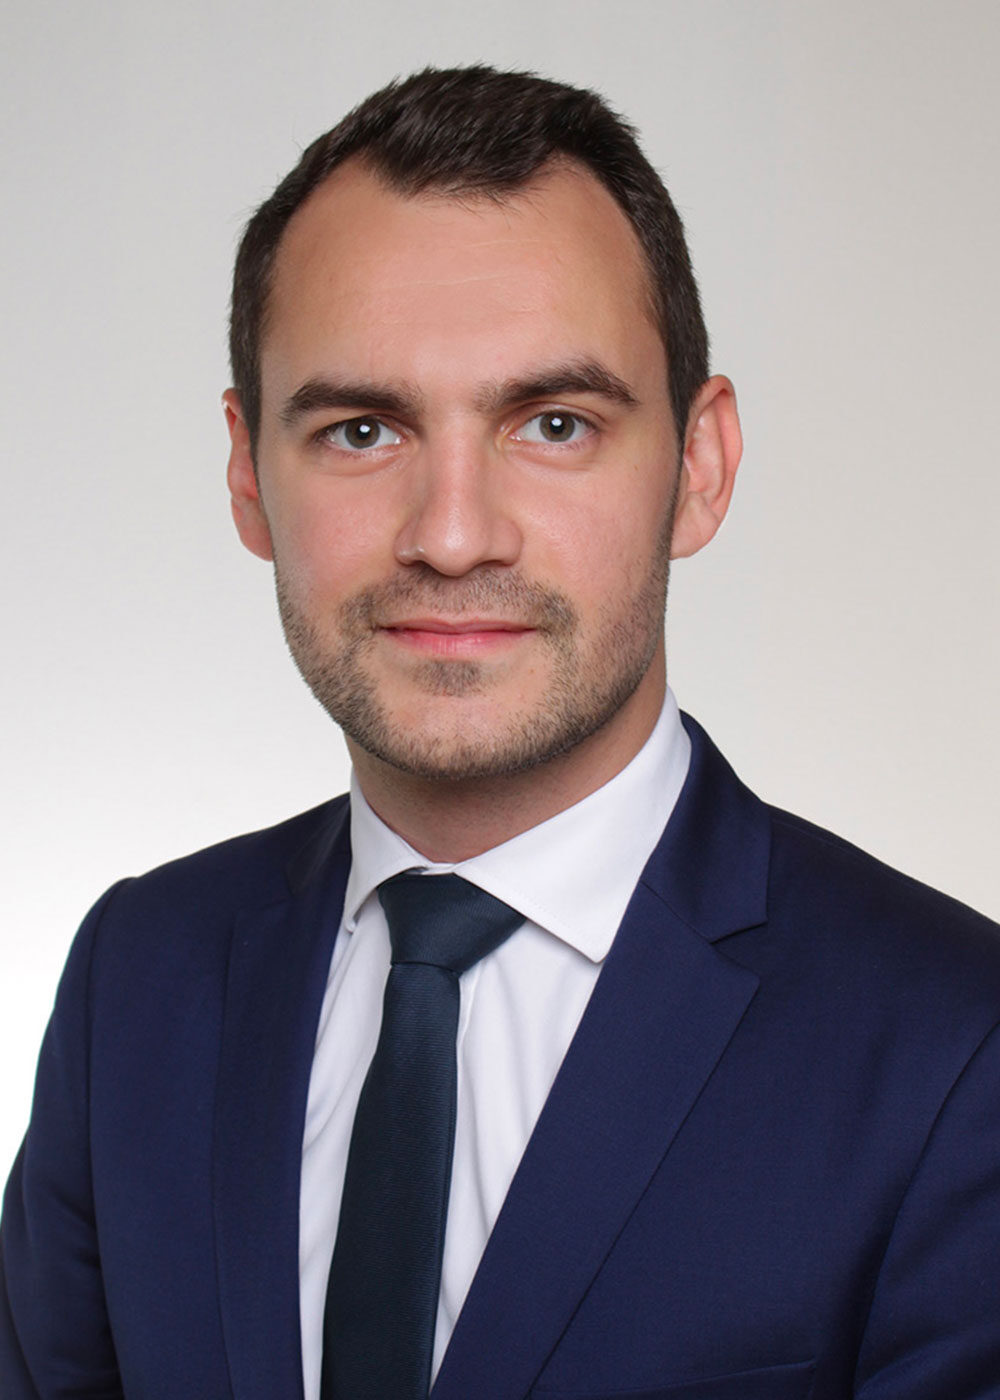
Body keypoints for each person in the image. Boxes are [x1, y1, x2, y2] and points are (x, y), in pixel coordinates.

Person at [2, 64, 999, 1400]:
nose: (453, 534)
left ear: (699, 467)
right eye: (362, 429)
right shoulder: (138, 980)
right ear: (247, 475)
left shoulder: (956, 1047)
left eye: (554, 424)